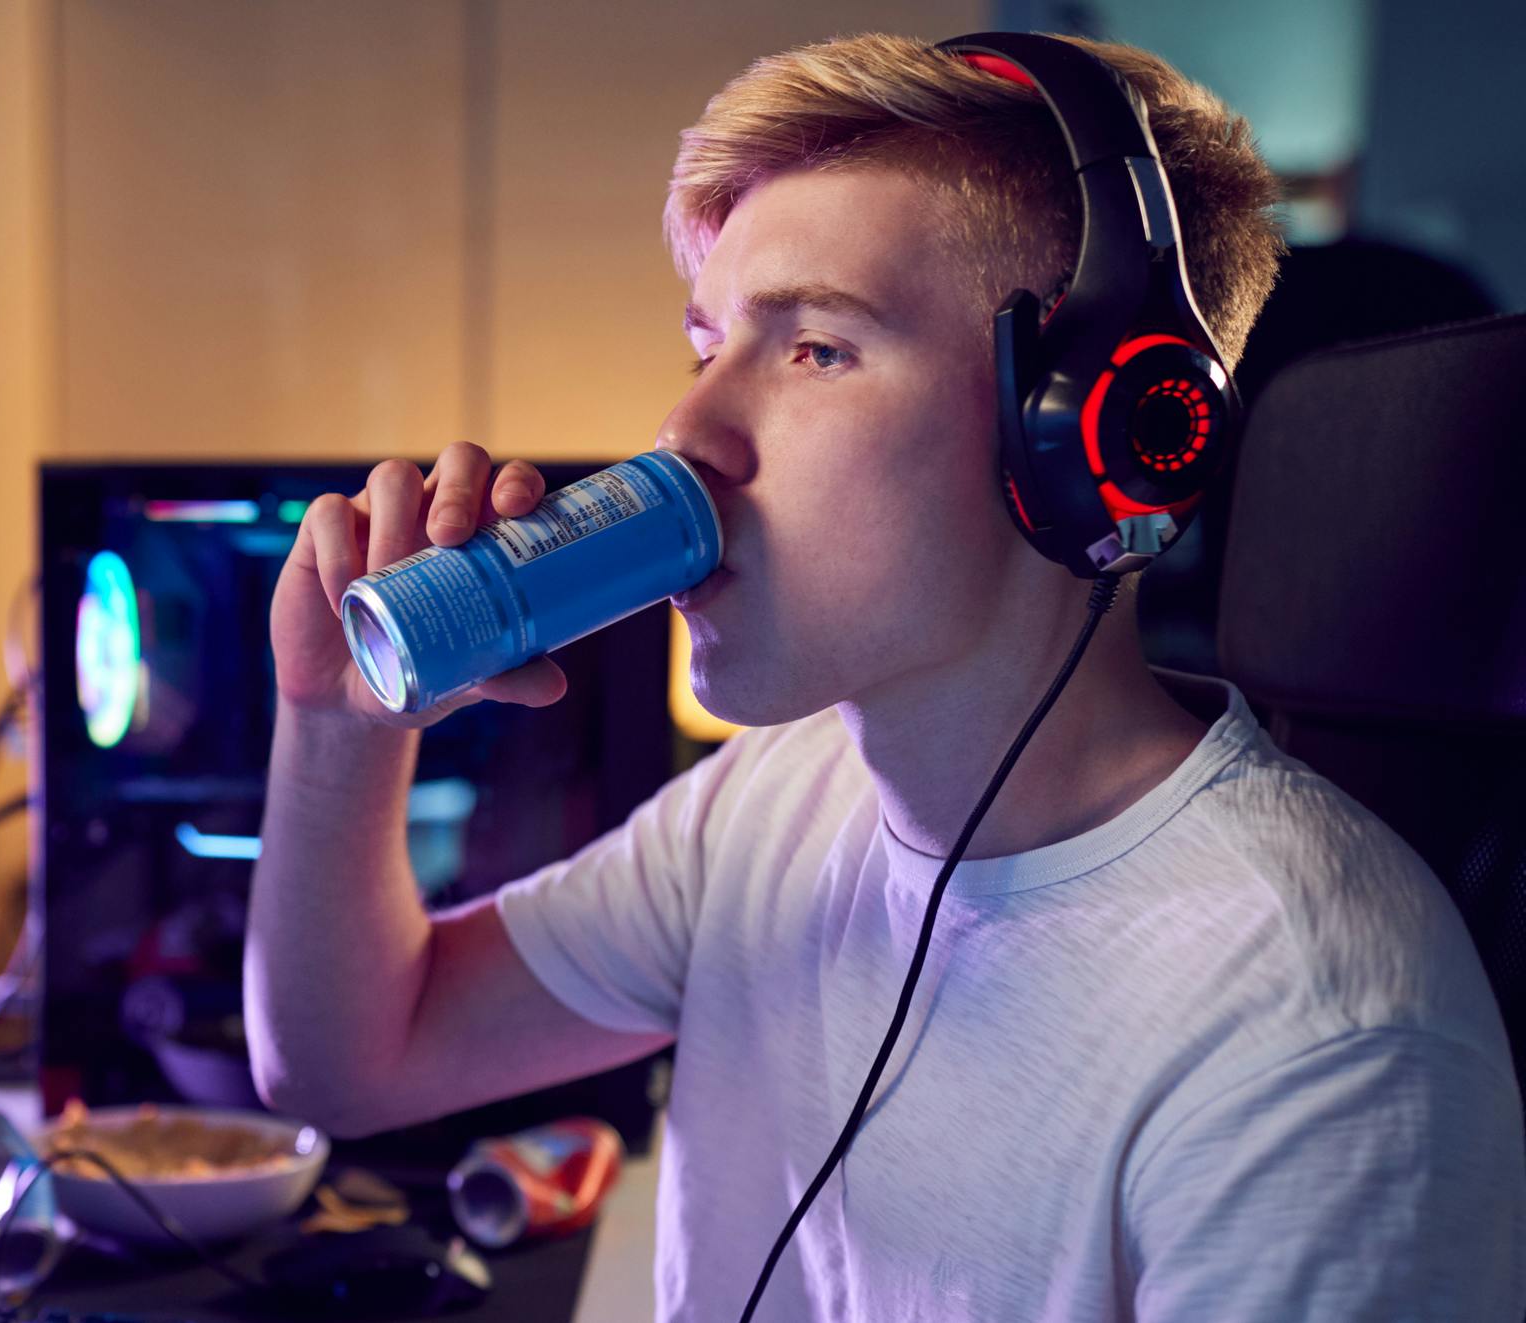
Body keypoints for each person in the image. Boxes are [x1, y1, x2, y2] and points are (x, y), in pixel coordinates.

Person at [245, 30, 1526, 1323]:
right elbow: (348, 1064)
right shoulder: (766, 809)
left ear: (1083, 433)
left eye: (816, 350)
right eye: (706, 349)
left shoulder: (1322, 1036)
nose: (684, 434)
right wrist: (330, 724)